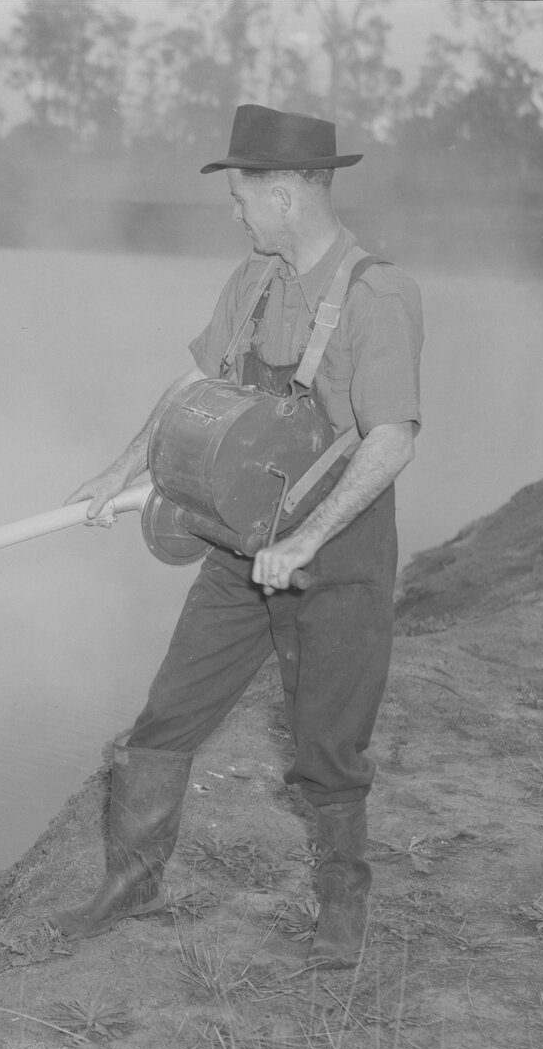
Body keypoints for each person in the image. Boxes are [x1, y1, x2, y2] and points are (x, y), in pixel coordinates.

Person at [54, 104, 423, 969]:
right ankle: (131, 884)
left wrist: (306, 542)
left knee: (328, 745)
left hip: (338, 555)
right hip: (239, 543)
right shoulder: (252, 280)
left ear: (287, 193)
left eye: (242, 195)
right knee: (166, 717)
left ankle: (341, 915)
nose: (235, 212)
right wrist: (120, 470)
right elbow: (194, 388)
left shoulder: (379, 294)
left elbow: (393, 438)